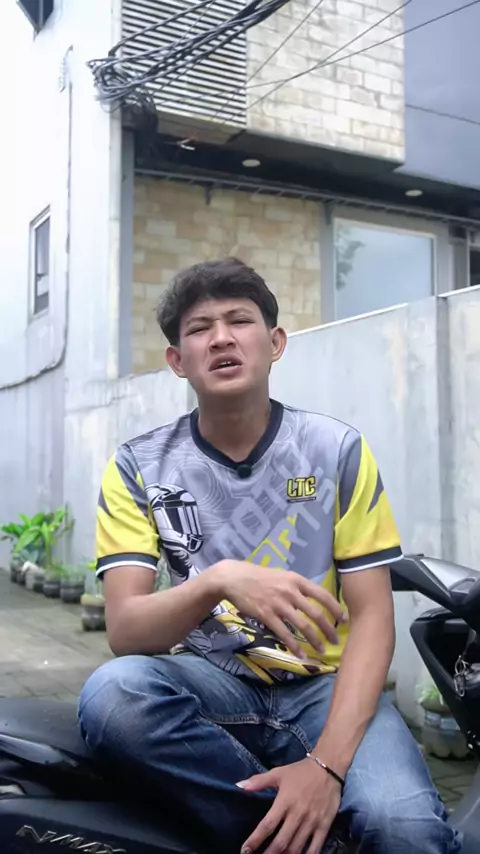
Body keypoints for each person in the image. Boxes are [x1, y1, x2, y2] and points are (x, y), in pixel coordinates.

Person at [78, 258, 461, 854]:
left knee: (403, 827)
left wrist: (325, 767)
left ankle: (303, 806)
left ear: (275, 343)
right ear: (177, 360)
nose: (221, 338)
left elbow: (373, 618)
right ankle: (309, 839)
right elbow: (127, 631)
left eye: (239, 321)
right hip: (211, 680)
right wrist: (218, 580)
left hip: (326, 685)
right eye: (200, 328)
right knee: (113, 697)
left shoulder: (336, 450)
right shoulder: (140, 466)